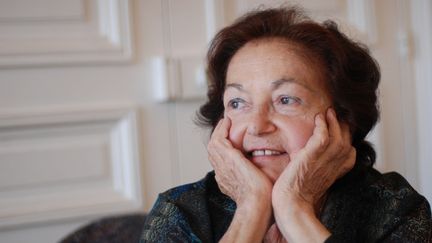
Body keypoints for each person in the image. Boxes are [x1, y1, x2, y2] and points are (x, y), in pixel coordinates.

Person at [140, 6, 432, 242]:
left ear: (343, 118)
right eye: (238, 103)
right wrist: (252, 210)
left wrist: (295, 208)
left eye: (286, 100)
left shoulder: (394, 209)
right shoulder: (180, 212)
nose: (256, 126)